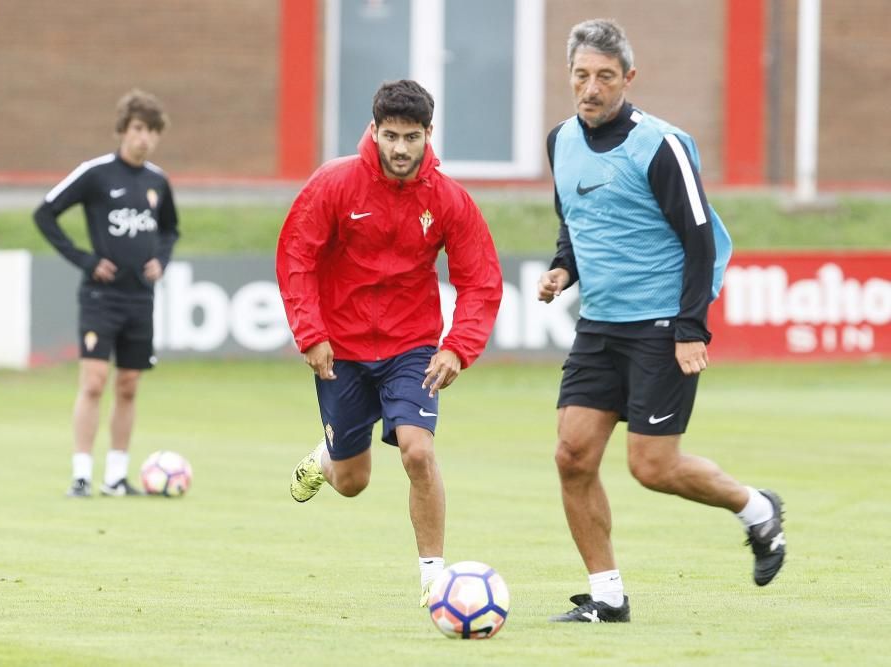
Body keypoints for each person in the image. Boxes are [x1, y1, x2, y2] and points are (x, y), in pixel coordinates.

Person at [536, 19, 786, 622]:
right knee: (572, 456)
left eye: (604, 76)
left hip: (659, 324)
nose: (590, 88)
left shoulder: (661, 144)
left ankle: (756, 508)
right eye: (581, 75)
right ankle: (607, 597)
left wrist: (691, 327)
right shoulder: (560, 141)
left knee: (653, 467)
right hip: (598, 325)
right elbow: (577, 219)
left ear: (628, 78)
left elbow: (699, 240)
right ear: (568, 75)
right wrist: (561, 269)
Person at [276, 79, 503, 606]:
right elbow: (296, 259)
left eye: (412, 137)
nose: (401, 149)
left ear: (429, 134)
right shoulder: (334, 184)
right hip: (343, 349)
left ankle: (435, 580)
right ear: (375, 131)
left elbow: (481, 280)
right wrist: (310, 334)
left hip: (412, 347)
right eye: (392, 136)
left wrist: (457, 346)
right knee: (353, 482)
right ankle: (327, 459)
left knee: (417, 451)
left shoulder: (448, 198)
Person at [34, 89, 180, 498]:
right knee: (95, 381)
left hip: (140, 299)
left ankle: (116, 477)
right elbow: (45, 213)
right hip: (101, 298)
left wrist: (161, 261)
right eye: (137, 128)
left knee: (129, 384)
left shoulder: (157, 181)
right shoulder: (95, 173)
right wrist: (83, 259)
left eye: (152, 131)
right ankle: (81, 473)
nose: (144, 138)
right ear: (123, 129)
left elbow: (170, 229)